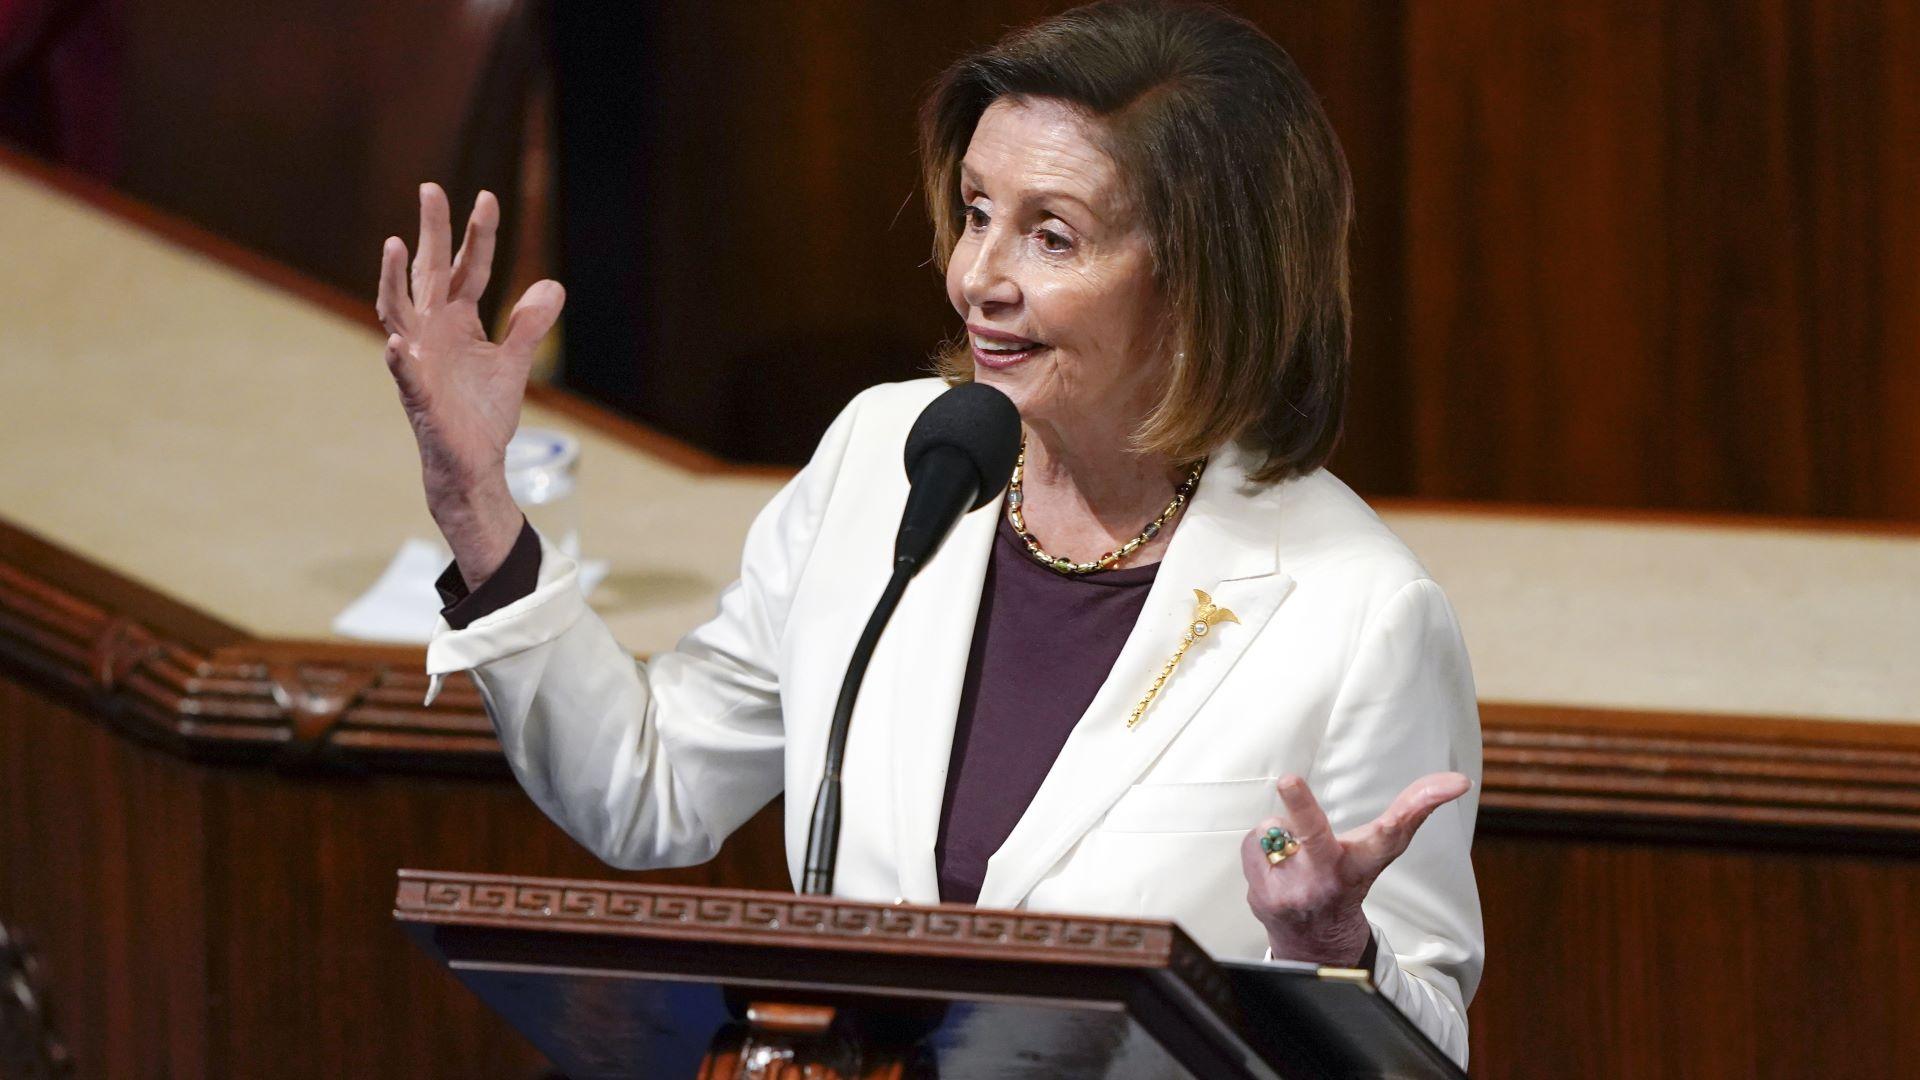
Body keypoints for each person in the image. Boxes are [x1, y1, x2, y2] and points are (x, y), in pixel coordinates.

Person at [378, 0, 1482, 1065]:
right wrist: (477, 504)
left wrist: (1336, 950)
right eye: (976, 211)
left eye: (1052, 236)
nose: (976, 277)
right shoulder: (887, 455)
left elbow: (1424, 1044)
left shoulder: (1358, 613)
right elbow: (650, 787)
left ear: (1206, 279)